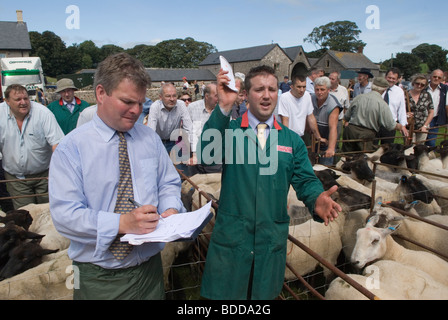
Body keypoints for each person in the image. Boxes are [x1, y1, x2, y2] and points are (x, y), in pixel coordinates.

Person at [198, 65, 342, 300]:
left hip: (269, 241)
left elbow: (305, 180)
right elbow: (206, 155)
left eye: (272, 89)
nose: (266, 95)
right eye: (259, 89)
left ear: (278, 93)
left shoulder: (291, 141)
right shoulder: (231, 131)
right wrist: (223, 106)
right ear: (245, 94)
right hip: (234, 239)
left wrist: (317, 197)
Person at [49, 53, 185, 300]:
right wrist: (121, 224)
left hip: (150, 270)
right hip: (99, 277)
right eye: (127, 101)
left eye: (141, 103)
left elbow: (167, 183)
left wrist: (171, 209)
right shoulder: (72, 148)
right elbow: (65, 215)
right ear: (101, 93)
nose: (136, 111)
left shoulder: (150, 139)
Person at [0, 84, 64, 209]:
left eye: (26, 98)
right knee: (24, 216)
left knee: (49, 213)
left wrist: (57, 172)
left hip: (45, 176)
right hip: (16, 179)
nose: (23, 102)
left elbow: (58, 144)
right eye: (18, 99)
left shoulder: (43, 113)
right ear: (7, 101)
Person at [343, 77, 404, 153]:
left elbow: (346, 117)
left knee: (347, 156)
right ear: (384, 90)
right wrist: (400, 126)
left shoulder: (358, 98)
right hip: (366, 134)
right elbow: (390, 125)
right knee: (363, 159)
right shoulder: (382, 104)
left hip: (350, 131)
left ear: (372, 86)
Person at [146, 83, 193, 156]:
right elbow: (151, 131)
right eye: (168, 96)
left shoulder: (181, 105)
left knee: (179, 166)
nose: (172, 99)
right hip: (158, 142)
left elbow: (189, 128)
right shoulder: (155, 107)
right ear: (160, 97)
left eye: (174, 96)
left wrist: (191, 149)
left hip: (174, 142)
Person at [278, 74, 324, 143]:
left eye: (304, 87)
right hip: (288, 136)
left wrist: (318, 137)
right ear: (292, 87)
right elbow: (285, 120)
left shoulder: (307, 96)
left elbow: (311, 117)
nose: (302, 90)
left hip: (300, 135)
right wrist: (286, 140)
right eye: (299, 87)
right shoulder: (284, 98)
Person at [187, 82, 221, 174]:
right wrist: (194, 154)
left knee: (215, 185)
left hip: (215, 158)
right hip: (195, 156)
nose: (219, 99)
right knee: (196, 185)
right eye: (216, 96)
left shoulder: (222, 110)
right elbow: (191, 132)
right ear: (206, 96)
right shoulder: (192, 108)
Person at [311, 76, 342, 165]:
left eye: (322, 89)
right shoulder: (311, 98)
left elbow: (333, 128)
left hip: (326, 138)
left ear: (328, 90)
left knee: (324, 167)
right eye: (317, 89)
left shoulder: (333, 104)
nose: (319, 92)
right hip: (313, 137)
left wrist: (331, 148)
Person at [379, 68, 408, 144]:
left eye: (393, 78)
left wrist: (403, 125)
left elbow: (401, 109)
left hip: (390, 125)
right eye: (389, 77)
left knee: (387, 148)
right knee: (372, 148)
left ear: (397, 80)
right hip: (376, 123)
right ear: (385, 77)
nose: (391, 80)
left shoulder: (399, 92)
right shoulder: (378, 88)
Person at [407, 74, 434, 143]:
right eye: (417, 83)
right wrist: (405, 114)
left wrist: (425, 126)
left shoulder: (427, 95)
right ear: (413, 83)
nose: (419, 86)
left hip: (422, 127)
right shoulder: (405, 94)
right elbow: (399, 110)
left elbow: (431, 111)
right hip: (409, 127)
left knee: (420, 148)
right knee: (409, 148)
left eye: (422, 85)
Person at [426, 69, 448, 147]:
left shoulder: (445, 89)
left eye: (439, 77)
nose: (436, 79)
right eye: (435, 76)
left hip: (435, 119)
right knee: (420, 142)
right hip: (422, 118)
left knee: (431, 143)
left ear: (442, 79)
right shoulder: (423, 86)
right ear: (431, 77)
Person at [329, 71, 350, 146]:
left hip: (338, 121)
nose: (330, 80)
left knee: (336, 141)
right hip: (326, 120)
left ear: (338, 80)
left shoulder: (343, 90)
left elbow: (347, 106)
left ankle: (335, 157)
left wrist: (346, 120)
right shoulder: (325, 89)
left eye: (333, 79)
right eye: (329, 78)